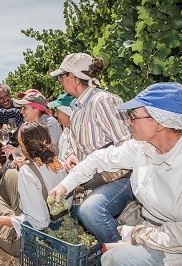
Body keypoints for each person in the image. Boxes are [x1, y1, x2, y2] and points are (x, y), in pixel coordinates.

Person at [50, 82, 182, 266]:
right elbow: (98, 159)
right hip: (157, 234)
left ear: (159, 122)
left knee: (115, 259)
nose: (128, 122)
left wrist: (137, 234)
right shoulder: (144, 148)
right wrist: (64, 185)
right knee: (111, 257)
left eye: (134, 116)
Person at [49, 52, 134, 245]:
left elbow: (127, 147)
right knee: (73, 213)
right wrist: (71, 154)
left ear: (72, 76)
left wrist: (101, 176)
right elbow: (74, 140)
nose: (61, 80)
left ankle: (120, 252)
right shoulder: (77, 107)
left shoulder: (103, 101)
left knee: (91, 211)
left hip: (119, 178)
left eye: (62, 75)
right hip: (92, 180)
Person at [0, 121, 73, 256]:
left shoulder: (28, 172)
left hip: (27, 240)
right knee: (11, 174)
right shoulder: (62, 165)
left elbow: (39, 222)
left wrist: (2, 220)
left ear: (23, 147)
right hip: (57, 230)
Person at [0, 83, 17, 165]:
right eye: (1, 98)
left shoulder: (17, 105)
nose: (5, 100)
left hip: (20, 136)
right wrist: (0, 131)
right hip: (10, 135)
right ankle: (5, 165)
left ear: (10, 95)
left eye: (6, 96)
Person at [47, 92, 75, 161]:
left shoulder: (78, 136)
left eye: (57, 111)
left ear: (67, 113)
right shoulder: (66, 131)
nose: (55, 115)